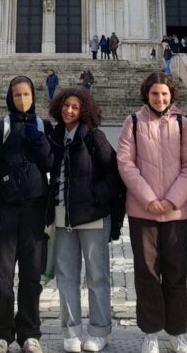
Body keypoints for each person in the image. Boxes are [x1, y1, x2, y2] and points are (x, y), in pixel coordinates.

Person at [117, 72, 187, 353]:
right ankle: (151, 331)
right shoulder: (134, 122)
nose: (160, 98)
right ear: (146, 95)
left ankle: (177, 332)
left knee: (176, 273)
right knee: (147, 273)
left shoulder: (182, 123)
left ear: (171, 95)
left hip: (175, 213)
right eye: (155, 94)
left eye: (164, 94)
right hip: (143, 211)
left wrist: (172, 200)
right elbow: (125, 164)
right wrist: (150, 199)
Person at [47, 87, 123, 353]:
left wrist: (95, 198)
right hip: (61, 216)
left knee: (97, 275)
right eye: (66, 106)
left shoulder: (94, 136)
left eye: (75, 107)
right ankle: (71, 331)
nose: (69, 111)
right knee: (65, 276)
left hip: (92, 217)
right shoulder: (54, 136)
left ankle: (99, 331)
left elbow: (114, 174)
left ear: (84, 110)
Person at [0, 76, 54, 353]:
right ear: (9, 97)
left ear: (33, 96)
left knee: (32, 275)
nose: (22, 99)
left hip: (35, 209)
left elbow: (50, 163)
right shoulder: (1, 128)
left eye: (26, 94)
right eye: (16, 94)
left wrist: (40, 142)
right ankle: (0, 333)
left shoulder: (42, 126)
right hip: (5, 210)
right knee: (2, 277)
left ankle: (29, 333)